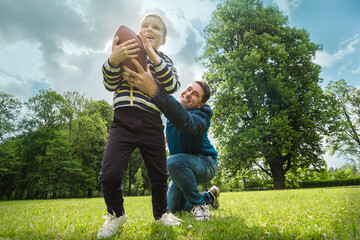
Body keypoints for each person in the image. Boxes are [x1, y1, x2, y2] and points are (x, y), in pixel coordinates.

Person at [98, 13, 182, 239]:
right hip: (122, 122)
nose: (149, 29)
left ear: (163, 40)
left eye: (156, 28)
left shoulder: (163, 61)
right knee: (109, 174)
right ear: (138, 31)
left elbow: (173, 85)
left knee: (158, 173)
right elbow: (109, 84)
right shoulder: (125, 52)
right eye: (145, 25)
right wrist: (114, 60)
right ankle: (116, 214)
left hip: (152, 122)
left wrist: (154, 58)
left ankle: (161, 213)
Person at [122, 58, 220, 221]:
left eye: (195, 94)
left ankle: (198, 205)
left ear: (201, 104)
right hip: (182, 168)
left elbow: (186, 121)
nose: (188, 94)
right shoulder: (172, 116)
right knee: (174, 209)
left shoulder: (202, 116)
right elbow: (168, 132)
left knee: (172, 162)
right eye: (189, 89)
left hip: (206, 164)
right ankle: (209, 197)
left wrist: (155, 90)